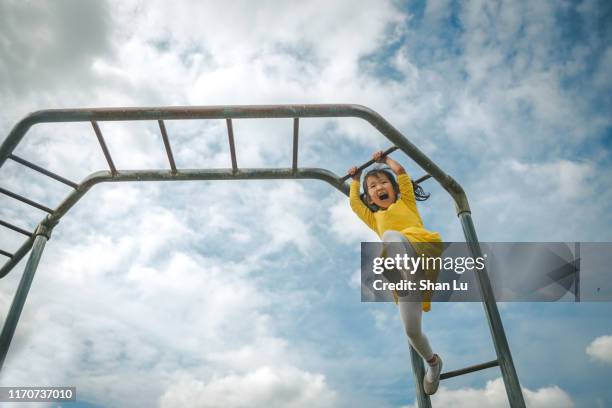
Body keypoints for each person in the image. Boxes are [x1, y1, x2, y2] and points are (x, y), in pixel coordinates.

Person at [348, 151, 444, 395]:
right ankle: (434, 365)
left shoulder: (405, 201)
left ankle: (406, 273)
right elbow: (354, 205)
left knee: (391, 237)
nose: (379, 187)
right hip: (402, 271)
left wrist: (385, 161)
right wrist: (356, 180)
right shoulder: (374, 217)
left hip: (422, 249)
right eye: (372, 186)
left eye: (382, 182)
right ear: (370, 196)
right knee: (411, 330)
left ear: (392, 188)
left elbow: (401, 173)